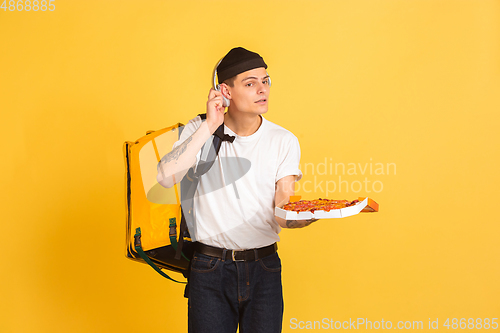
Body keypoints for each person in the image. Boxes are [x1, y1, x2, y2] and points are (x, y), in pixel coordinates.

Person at [157, 47, 316, 333]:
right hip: (209, 269)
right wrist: (210, 126)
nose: (262, 89)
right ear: (225, 91)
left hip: (264, 268)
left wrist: (315, 214)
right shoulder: (200, 129)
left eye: (265, 81)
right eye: (250, 83)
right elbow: (166, 177)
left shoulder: (283, 140)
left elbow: (283, 211)